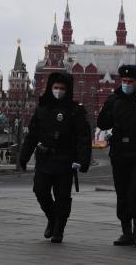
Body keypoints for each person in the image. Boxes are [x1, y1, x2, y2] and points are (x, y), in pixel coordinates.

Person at [20, 72, 91, 243]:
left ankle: (59, 228)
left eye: (62, 88)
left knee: (62, 197)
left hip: (65, 160)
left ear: (68, 90)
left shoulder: (75, 111)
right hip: (45, 159)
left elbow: (83, 137)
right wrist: (24, 156)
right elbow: (32, 135)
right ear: (50, 88)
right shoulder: (42, 108)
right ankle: (52, 218)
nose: (58, 91)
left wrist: (82, 161)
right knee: (40, 191)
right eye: (56, 88)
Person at [97, 64, 136, 248]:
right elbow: (103, 122)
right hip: (119, 152)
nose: (126, 84)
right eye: (123, 81)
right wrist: (107, 113)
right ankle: (126, 232)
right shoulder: (114, 100)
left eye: (130, 81)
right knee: (122, 193)